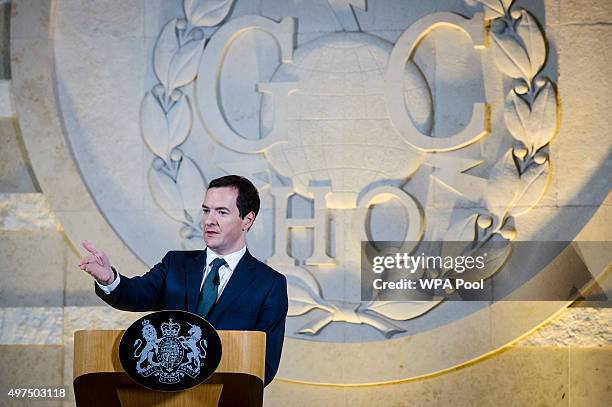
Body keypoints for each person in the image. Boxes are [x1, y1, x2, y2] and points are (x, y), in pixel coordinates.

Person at [78, 175, 288, 386]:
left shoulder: (270, 285)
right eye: (206, 210)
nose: (209, 220)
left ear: (247, 220)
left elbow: (265, 365)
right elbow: (135, 294)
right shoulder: (175, 264)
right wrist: (109, 279)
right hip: (163, 395)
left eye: (222, 212)